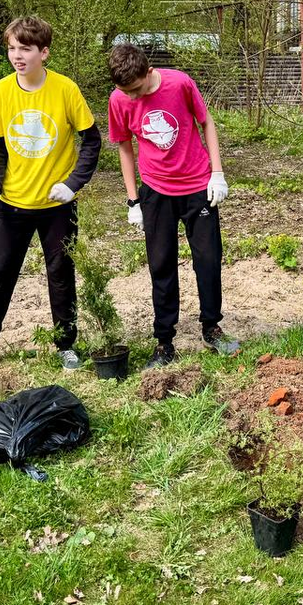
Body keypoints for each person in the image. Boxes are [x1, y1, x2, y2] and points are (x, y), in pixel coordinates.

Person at [0, 16, 101, 371]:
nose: (17, 56)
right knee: (0, 273)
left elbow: (92, 140)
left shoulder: (65, 89)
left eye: (25, 49)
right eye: (11, 48)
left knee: (61, 273)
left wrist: (72, 184)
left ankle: (66, 344)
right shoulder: (0, 92)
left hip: (57, 206)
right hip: (13, 203)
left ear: (44, 52)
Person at [107, 43, 241, 370]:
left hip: (197, 185)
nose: (133, 99)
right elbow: (124, 147)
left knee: (208, 260)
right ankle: (164, 341)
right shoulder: (119, 99)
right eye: (126, 92)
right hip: (155, 191)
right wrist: (133, 200)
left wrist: (217, 173)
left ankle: (211, 328)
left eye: (137, 90)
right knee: (161, 266)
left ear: (149, 72)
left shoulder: (179, 83)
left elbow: (206, 122)